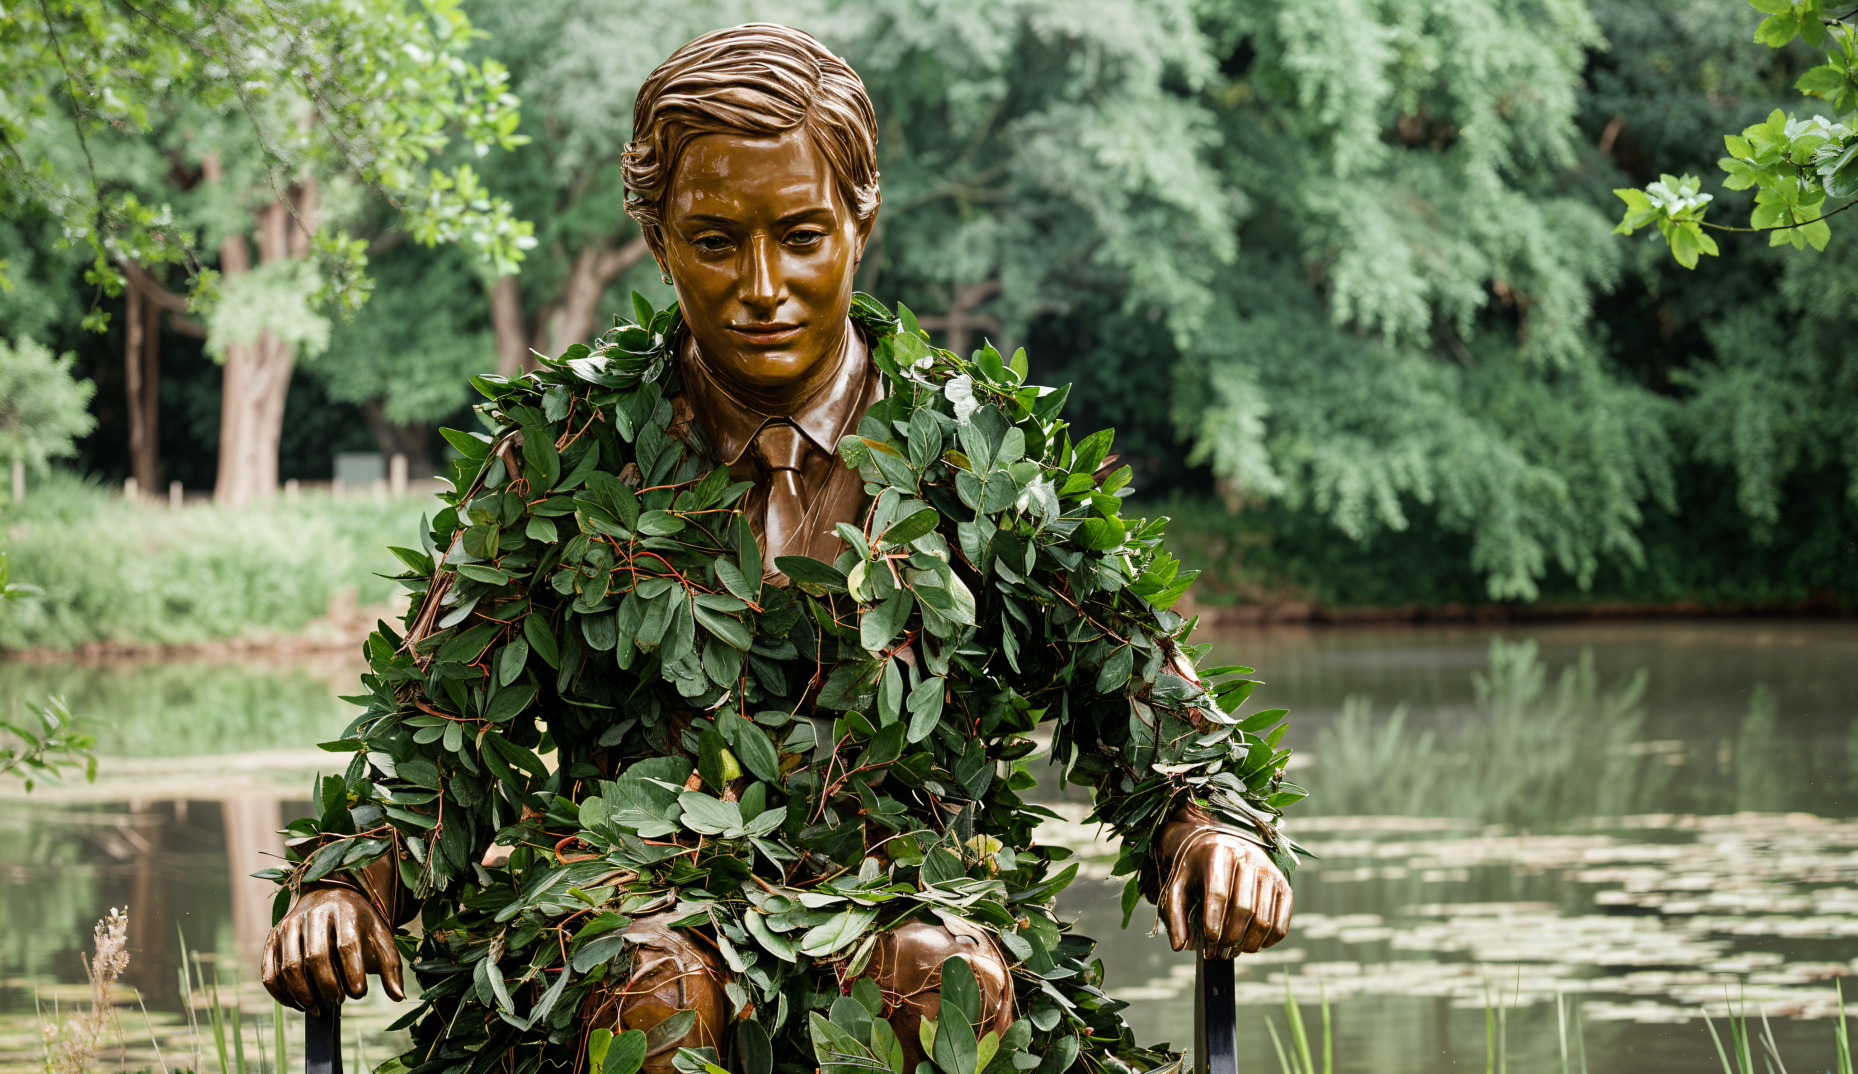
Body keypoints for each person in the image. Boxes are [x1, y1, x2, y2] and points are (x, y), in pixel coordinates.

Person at [260, 24, 1298, 1074]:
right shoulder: (560, 454)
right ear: (659, 240)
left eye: (800, 235)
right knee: (654, 982)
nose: (762, 286)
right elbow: (437, 725)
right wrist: (347, 882)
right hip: (631, 905)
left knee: (932, 968)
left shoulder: (975, 454)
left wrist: (1209, 827)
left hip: (906, 896)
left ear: (861, 220)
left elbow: (1134, 685)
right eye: (716, 243)